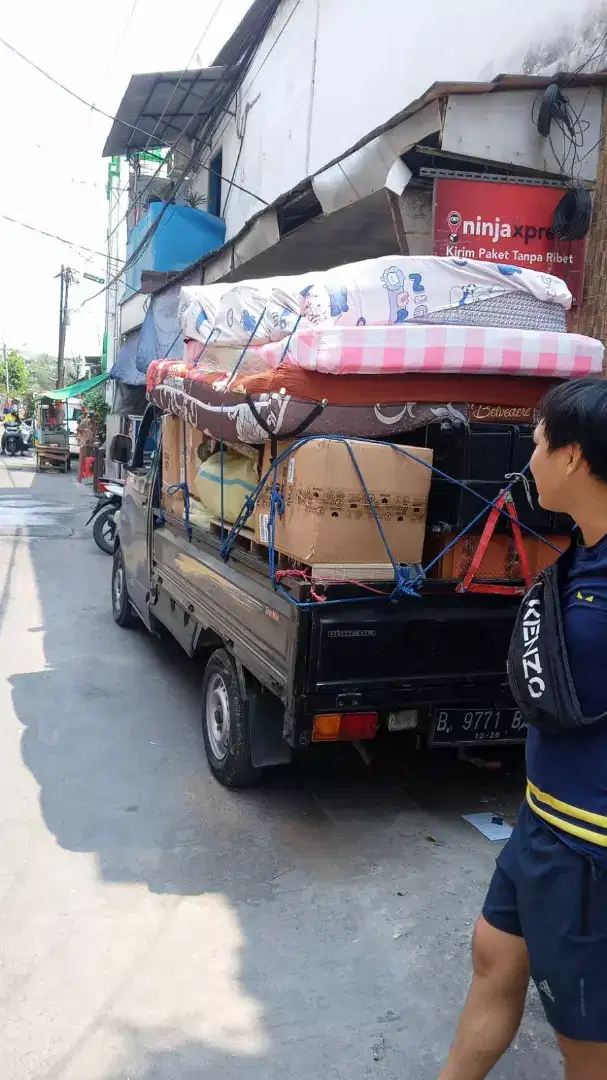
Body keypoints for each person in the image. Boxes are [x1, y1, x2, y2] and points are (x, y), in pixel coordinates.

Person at [438, 379, 607, 1080]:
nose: (528, 458)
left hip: (590, 846)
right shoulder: (579, 551)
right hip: (541, 820)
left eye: (536, 441)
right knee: (493, 956)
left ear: (571, 457)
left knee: (585, 1040)